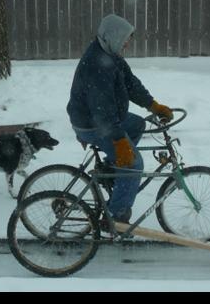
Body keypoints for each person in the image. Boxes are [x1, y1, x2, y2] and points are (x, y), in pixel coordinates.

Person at [66, 14, 173, 223]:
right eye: (125, 39)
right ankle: (116, 217)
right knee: (134, 165)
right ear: (113, 37)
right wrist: (118, 139)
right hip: (92, 124)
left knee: (137, 124)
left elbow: (131, 84)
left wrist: (153, 105)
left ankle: (112, 170)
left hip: (102, 119)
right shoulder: (97, 64)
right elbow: (102, 110)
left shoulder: (110, 55)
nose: (127, 43)